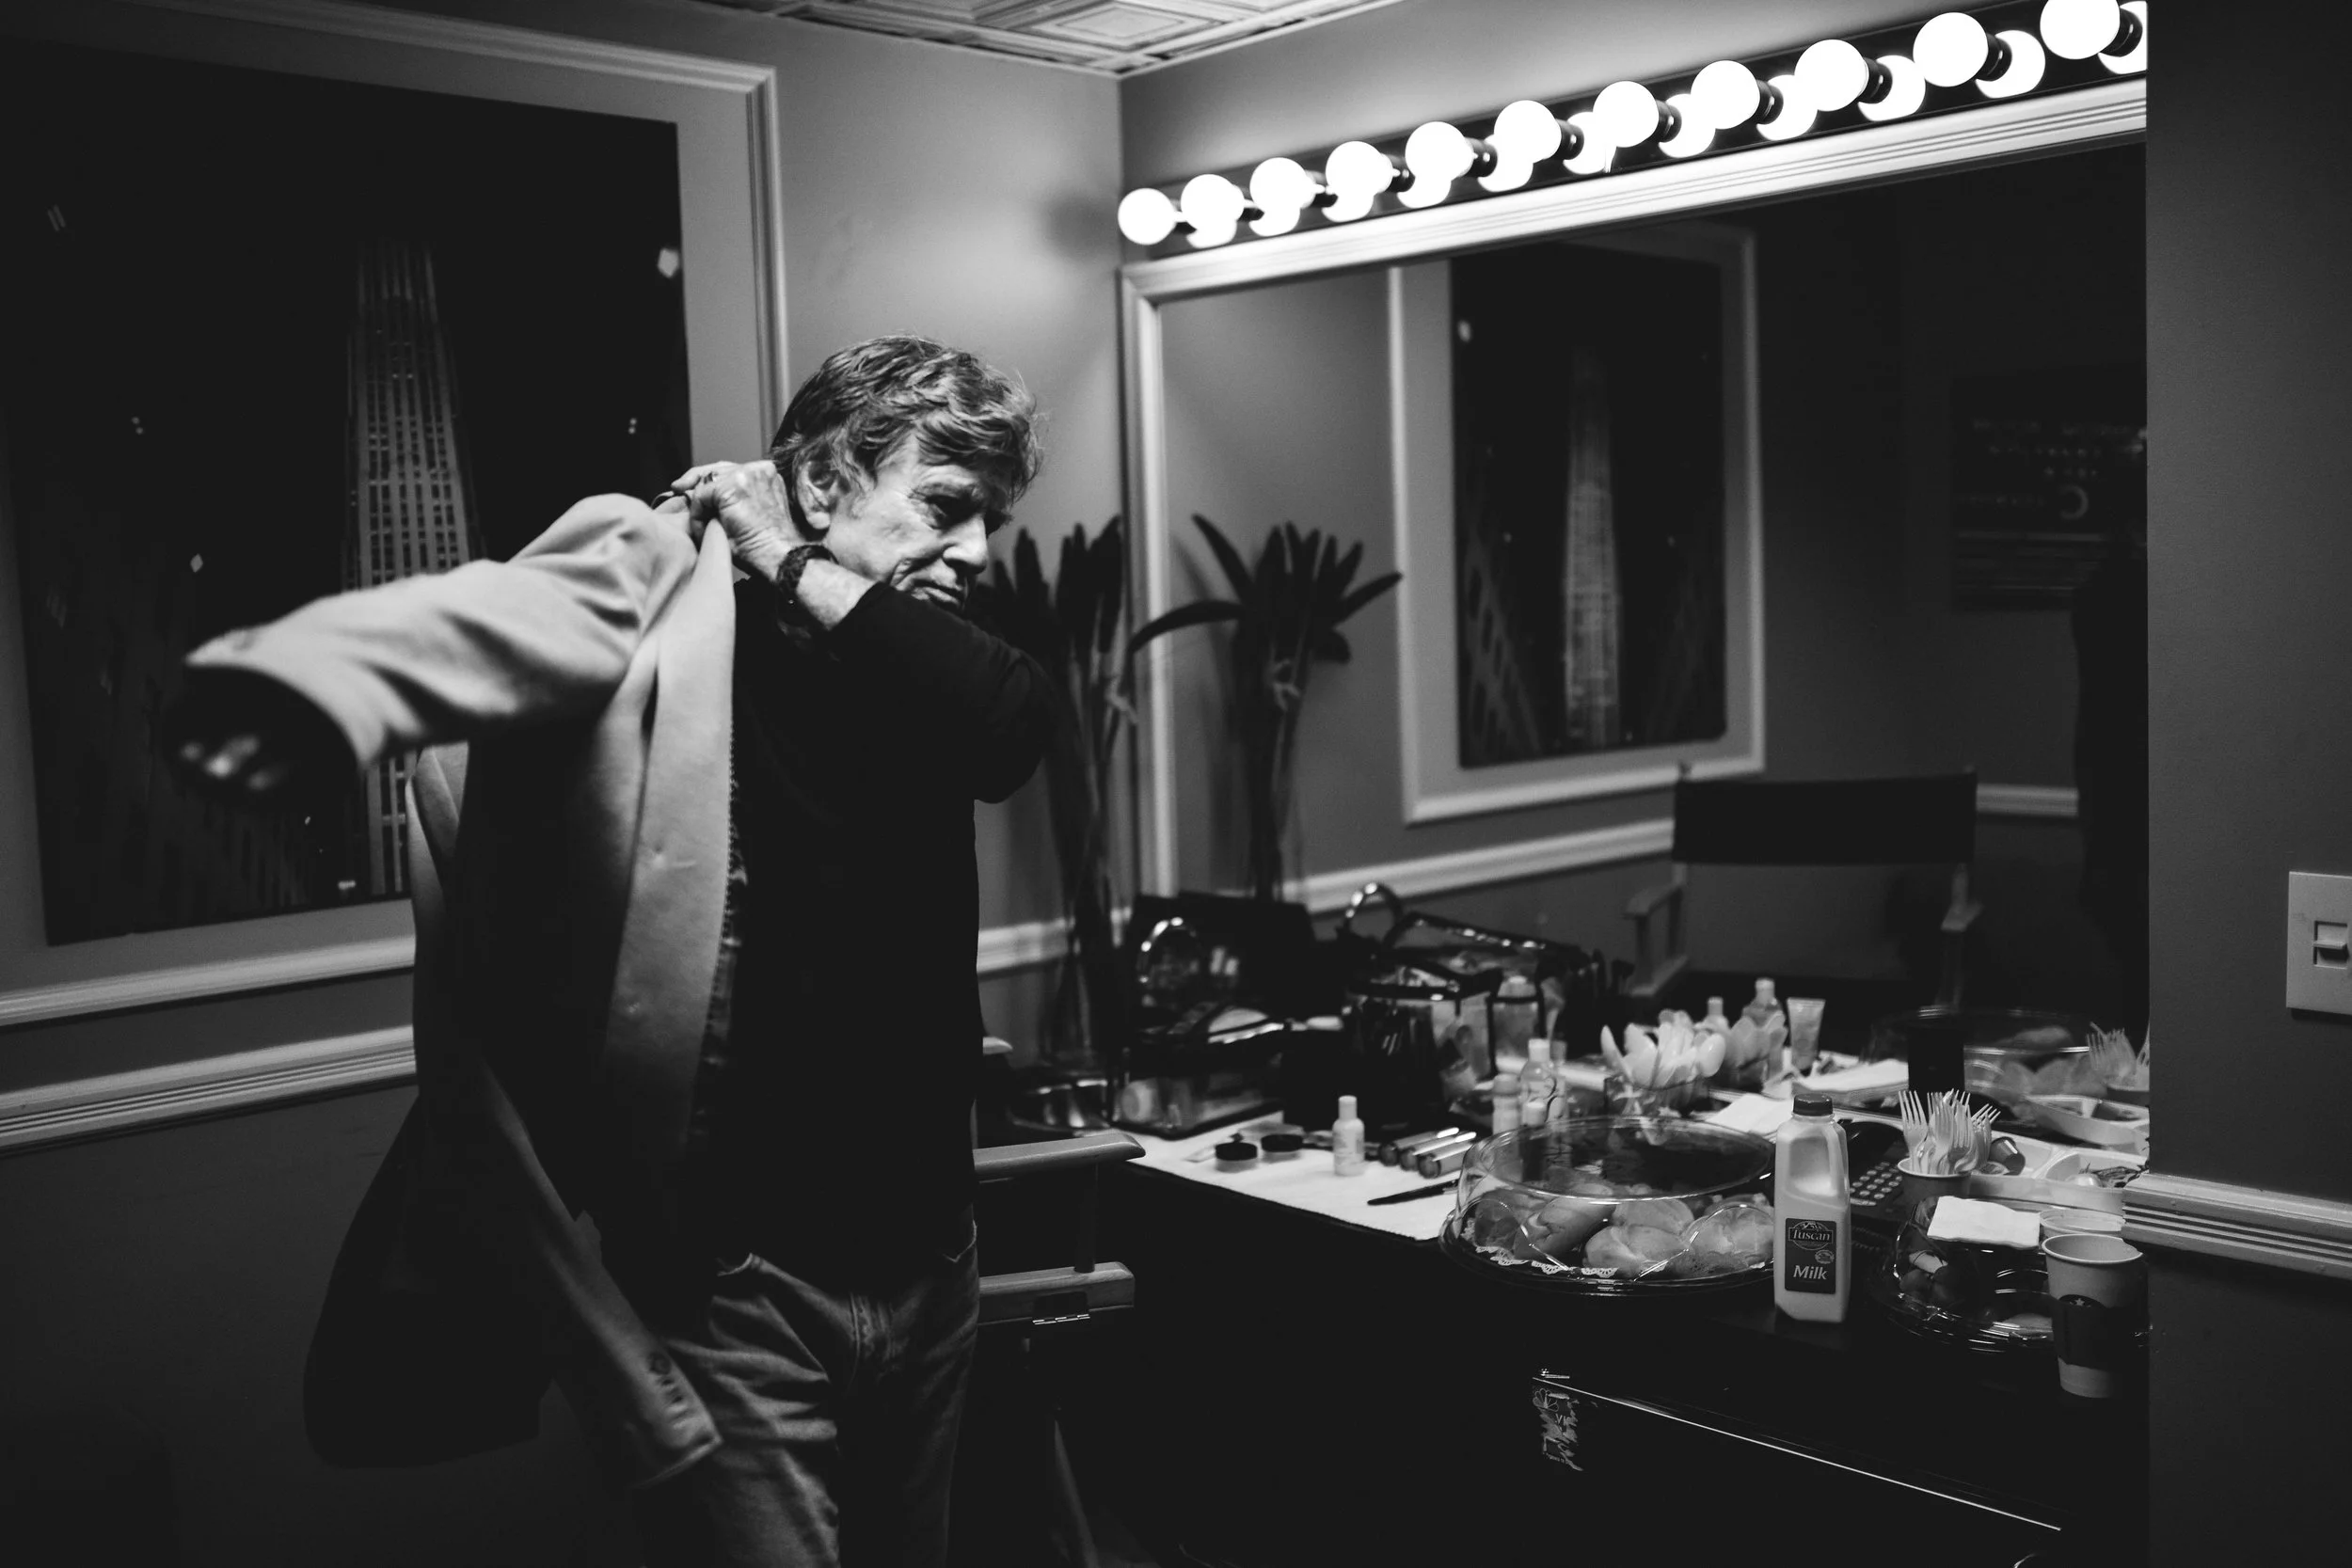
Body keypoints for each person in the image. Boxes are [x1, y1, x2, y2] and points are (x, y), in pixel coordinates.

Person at [167, 335, 1053, 1566]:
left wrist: (794, 561)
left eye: (991, 521)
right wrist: (323, 676)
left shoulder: (924, 654)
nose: (975, 551)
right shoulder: (668, 594)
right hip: (737, 1287)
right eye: (946, 507)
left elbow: (1010, 724)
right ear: (823, 480)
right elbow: (521, 619)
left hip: (931, 1259)